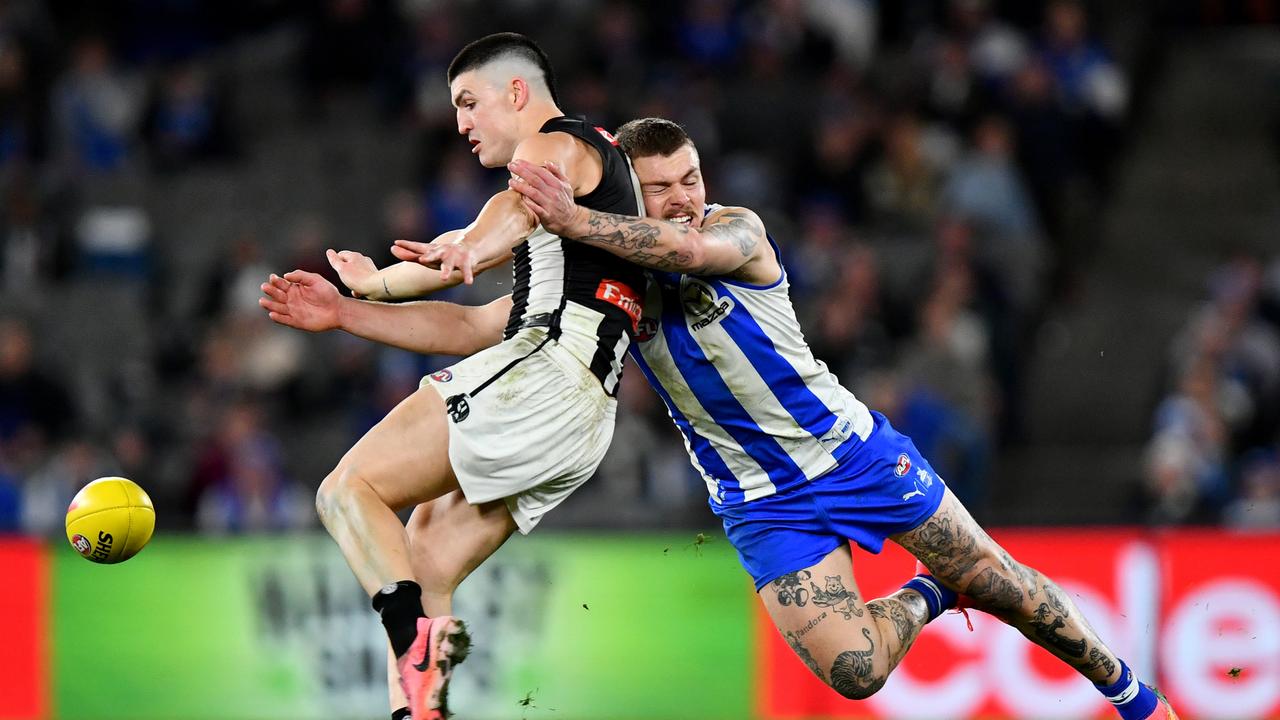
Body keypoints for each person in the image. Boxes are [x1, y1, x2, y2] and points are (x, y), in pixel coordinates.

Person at [390, 118, 1179, 720]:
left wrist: (573, 219)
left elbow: (687, 253)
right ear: (628, 190)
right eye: (662, 188)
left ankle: (1139, 699)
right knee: (855, 674)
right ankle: (927, 596)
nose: (685, 199)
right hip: (758, 501)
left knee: (1001, 584)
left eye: (692, 178)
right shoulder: (604, 282)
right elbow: (485, 322)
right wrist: (354, 311)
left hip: (851, 456)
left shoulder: (738, 231)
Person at [261, 32, 646, 720]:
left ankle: (411, 639)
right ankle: (422, 709)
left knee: (347, 491)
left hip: (545, 377)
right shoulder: (583, 216)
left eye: (470, 102)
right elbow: (469, 325)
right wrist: (357, 302)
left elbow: (515, 206)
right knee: (422, 561)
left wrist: (473, 244)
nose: (461, 122)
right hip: (578, 410)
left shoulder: (555, 144)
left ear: (517, 93)